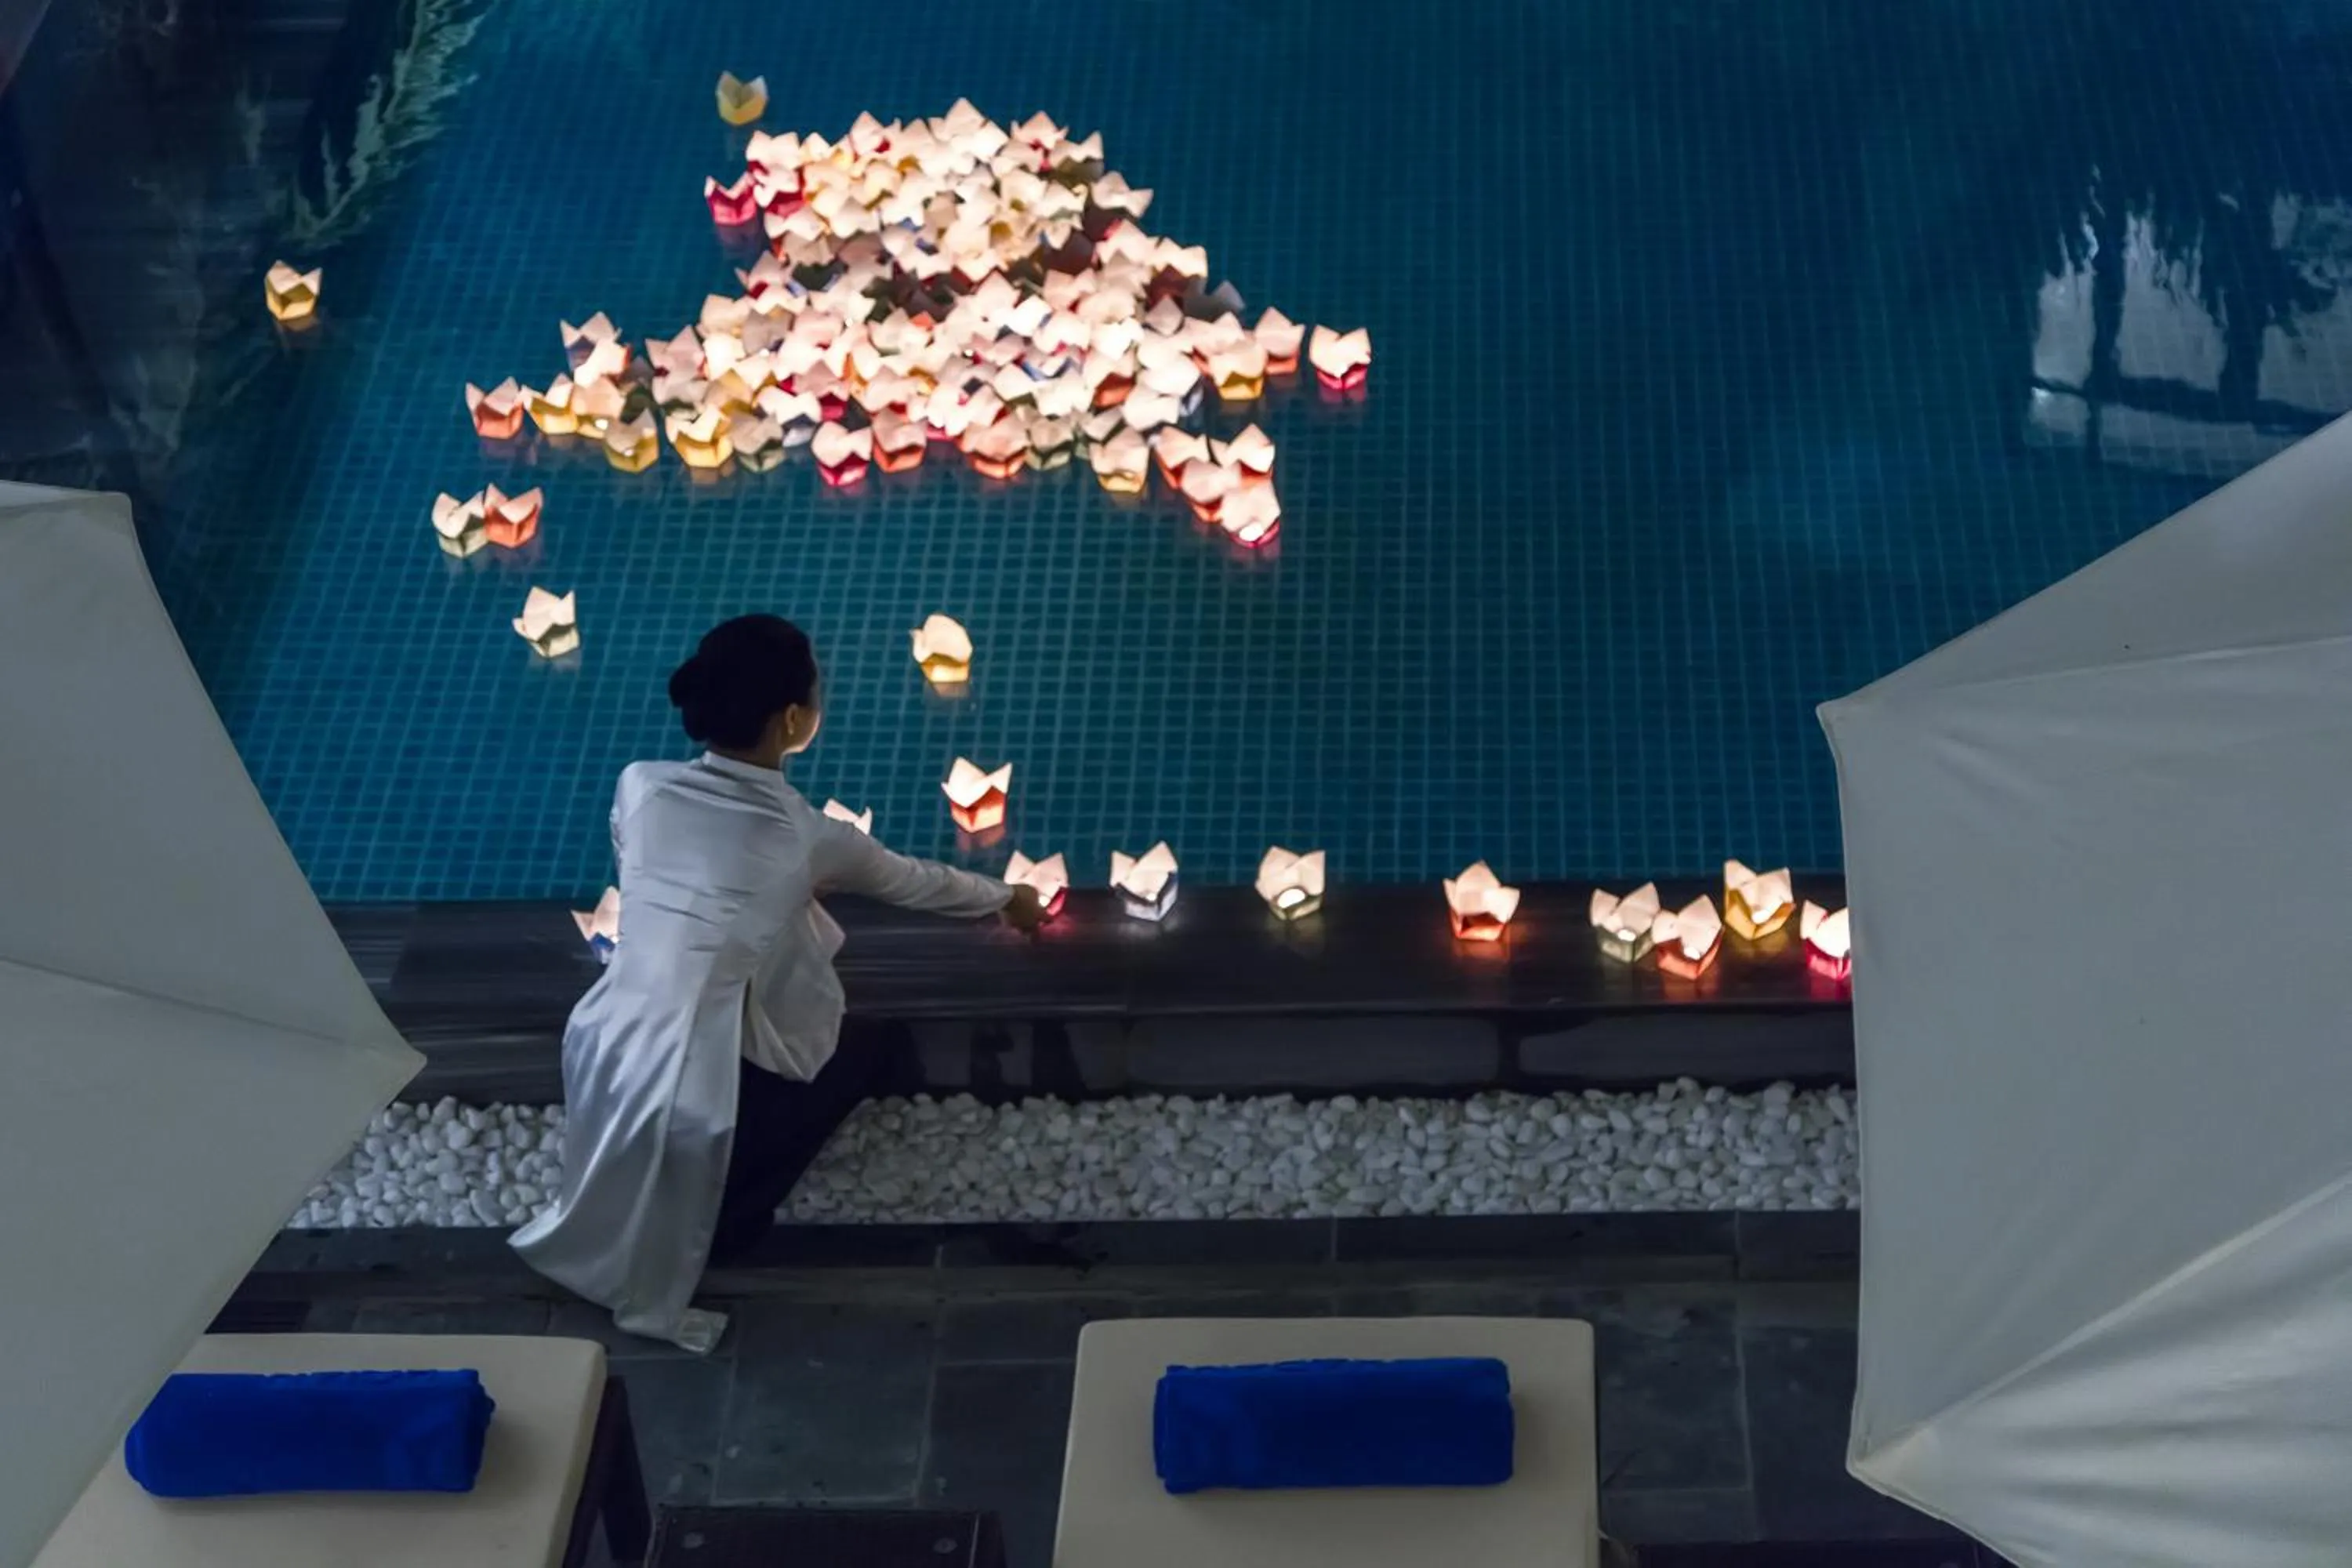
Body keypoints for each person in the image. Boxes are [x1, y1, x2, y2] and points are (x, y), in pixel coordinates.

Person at [512, 615, 1045, 1352]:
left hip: (607, 1034)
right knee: (860, 1052)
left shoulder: (641, 786)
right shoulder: (806, 837)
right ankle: (729, 1225)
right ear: (794, 719)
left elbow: (650, 870)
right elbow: (918, 882)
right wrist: (1008, 898)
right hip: (697, 1077)